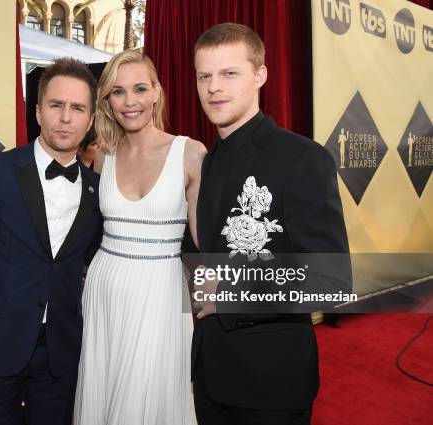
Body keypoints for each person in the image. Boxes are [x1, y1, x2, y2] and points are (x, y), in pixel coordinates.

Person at [191, 23, 349, 425]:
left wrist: (226, 291)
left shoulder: (302, 158)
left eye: (229, 74)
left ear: (259, 75)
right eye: (204, 76)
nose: (214, 88)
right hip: (210, 375)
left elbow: (331, 281)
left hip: (270, 383)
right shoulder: (210, 160)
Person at [0, 58, 103, 425]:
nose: (66, 117)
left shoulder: (97, 190)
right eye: (56, 105)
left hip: (62, 354)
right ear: (38, 112)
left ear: (90, 120)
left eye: (77, 108)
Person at [73, 49, 207, 425]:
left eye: (139, 89)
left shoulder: (191, 153)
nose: (129, 101)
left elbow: (206, 238)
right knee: (105, 389)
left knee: (149, 395)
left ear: (156, 93)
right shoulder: (102, 156)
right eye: (117, 92)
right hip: (105, 286)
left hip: (161, 289)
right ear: (107, 101)